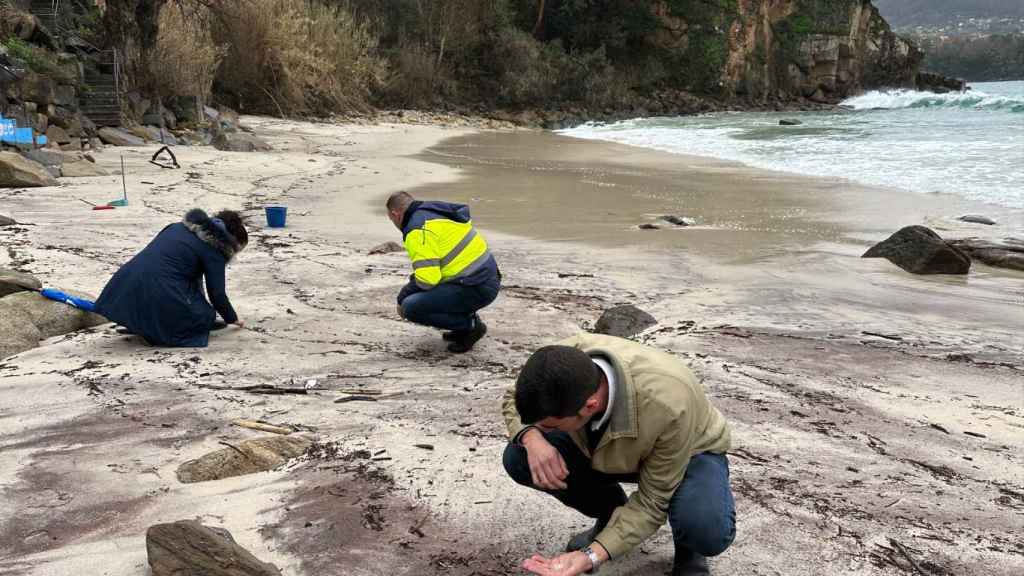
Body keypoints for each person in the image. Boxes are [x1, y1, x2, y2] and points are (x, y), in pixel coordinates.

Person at [501, 333, 735, 576]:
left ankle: (689, 546)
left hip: (690, 451)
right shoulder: (559, 362)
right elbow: (513, 397)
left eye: (550, 426)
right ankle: (610, 513)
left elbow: (652, 502)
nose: (544, 430)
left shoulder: (669, 404)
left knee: (704, 527)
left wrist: (590, 556)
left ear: (590, 406)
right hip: (610, 446)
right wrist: (531, 438)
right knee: (519, 458)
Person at [94, 208, 247, 347]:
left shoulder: (176, 227)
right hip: (160, 288)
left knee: (191, 300)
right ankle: (154, 332)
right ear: (231, 241)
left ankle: (138, 322)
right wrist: (231, 318)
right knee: (204, 316)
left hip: (125, 285)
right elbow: (217, 294)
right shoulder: (216, 250)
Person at [386, 191, 500, 353]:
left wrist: (401, 298)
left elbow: (427, 280)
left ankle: (471, 326)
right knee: (419, 289)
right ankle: (463, 324)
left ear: (395, 214)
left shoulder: (417, 230)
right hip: (486, 277)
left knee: (410, 306)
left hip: (477, 285)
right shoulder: (432, 212)